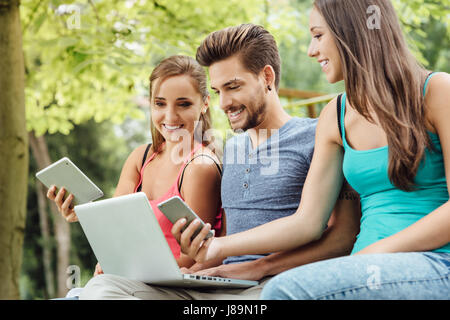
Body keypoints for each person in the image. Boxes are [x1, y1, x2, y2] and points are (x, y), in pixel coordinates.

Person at [176, 0, 450, 300]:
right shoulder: (336, 115)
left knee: (284, 290)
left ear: (352, 32)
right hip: (358, 270)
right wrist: (218, 246)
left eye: (318, 35)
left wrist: (373, 253)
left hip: (434, 261)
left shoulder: (437, 91)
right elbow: (308, 222)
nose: (311, 50)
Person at [77, 23, 361, 300]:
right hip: (218, 284)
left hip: (277, 283)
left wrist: (259, 266)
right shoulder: (232, 149)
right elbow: (222, 238)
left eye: (233, 87)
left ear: (267, 77)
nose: (224, 102)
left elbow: (342, 237)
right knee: (104, 289)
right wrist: (193, 270)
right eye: (217, 91)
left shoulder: (316, 136)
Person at [47, 55, 224, 276]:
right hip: (130, 281)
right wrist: (81, 213)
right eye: (159, 103)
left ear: (205, 103)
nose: (170, 116)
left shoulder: (200, 167)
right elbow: (116, 231)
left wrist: (123, 268)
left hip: (171, 287)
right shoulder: (140, 158)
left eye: (184, 104)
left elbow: (196, 258)